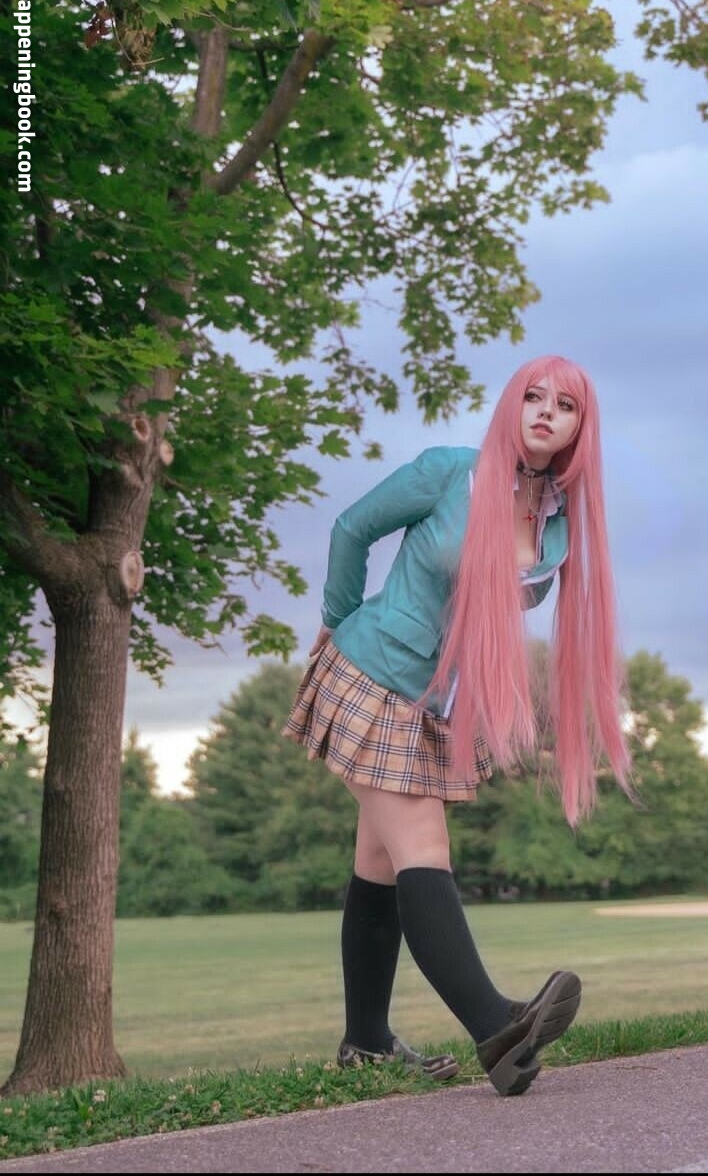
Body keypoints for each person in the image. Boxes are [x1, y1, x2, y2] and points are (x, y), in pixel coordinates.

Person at [281, 354, 635, 1097]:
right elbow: (351, 528)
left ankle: (365, 1044)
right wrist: (338, 620)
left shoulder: (559, 530)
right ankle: (496, 1028)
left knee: (380, 863)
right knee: (423, 849)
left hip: (432, 708)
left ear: (580, 428)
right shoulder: (450, 473)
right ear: (513, 405)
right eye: (533, 396)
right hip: (370, 673)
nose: (545, 412)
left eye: (565, 405)